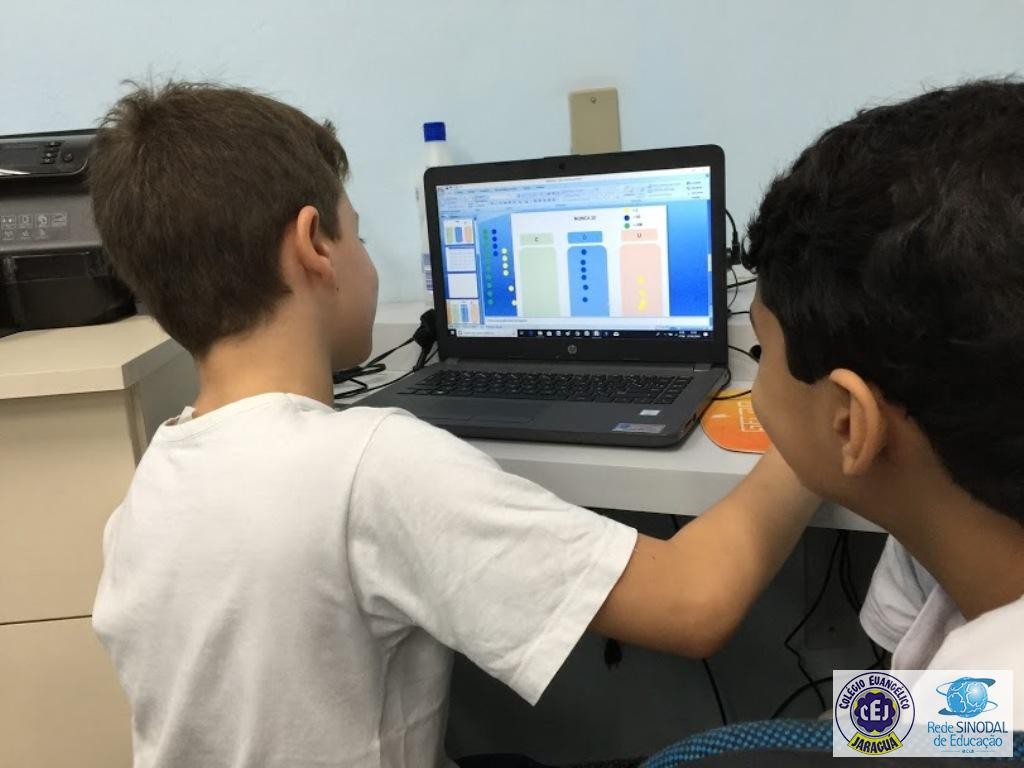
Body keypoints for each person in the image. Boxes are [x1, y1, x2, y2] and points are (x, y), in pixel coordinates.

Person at [88, 82, 817, 768]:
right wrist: (814, 425)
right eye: (358, 235)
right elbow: (694, 602)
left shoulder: (149, 488)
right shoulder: (372, 470)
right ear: (314, 246)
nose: (366, 259)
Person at [743, 79, 1024, 712]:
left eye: (761, 351)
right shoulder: (960, 523)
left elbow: (921, 728)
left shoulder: (976, 727)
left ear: (849, 422)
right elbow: (893, 715)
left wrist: (814, 742)